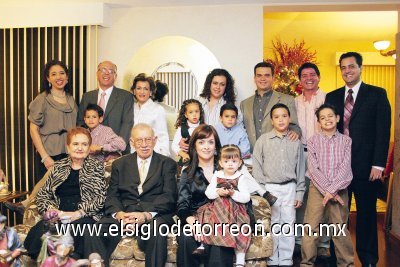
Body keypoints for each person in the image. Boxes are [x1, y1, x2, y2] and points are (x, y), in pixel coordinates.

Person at [325, 52, 391, 267]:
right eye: (343, 67)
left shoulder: (377, 94)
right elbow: (328, 132)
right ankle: (339, 259)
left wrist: (378, 164)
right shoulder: (332, 97)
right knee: (338, 217)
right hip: (338, 168)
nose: (347, 71)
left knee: (366, 215)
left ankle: (369, 259)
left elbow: (383, 131)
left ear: (360, 68)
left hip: (366, 167)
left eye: (351, 66)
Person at [84, 123, 177, 267]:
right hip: (125, 214)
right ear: (132, 142)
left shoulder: (167, 164)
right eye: (139, 140)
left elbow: (169, 196)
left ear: (155, 140)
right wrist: (119, 215)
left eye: (148, 140)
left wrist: (145, 215)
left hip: (153, 216)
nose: (144, 145)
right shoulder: (120, 164)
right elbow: (112, 196)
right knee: (94, 230)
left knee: (157, 230)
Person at [24, 127, 107, 261]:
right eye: (75, 144)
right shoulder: (58, 167)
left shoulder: (96, 167)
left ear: (89, 148)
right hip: (59, 215)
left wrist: (78, 213)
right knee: (41, 231)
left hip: (83, 217)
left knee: (76, 230)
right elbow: (43, 194)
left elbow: (100, 198)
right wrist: (52, 211)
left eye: (84, 144)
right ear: (68, 147)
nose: (80, 148)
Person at [300, 103, 354, 267]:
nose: (327, 120)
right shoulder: (313, 141)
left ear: (337, 118)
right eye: (322, 118)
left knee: (339, 229)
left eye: (330, 116)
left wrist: (332, 191)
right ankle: (306, 263)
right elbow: (313, 169)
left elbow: (346, 168)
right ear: (319, 122)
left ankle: (347, 263)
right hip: (317, 189)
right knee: (311, 228)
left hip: (340, 189)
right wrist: (328, 191)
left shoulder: (346, 141)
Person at [252, 103, 305, 267]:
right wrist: (262, 192)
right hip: (270, 188)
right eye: (276, 117)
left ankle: (286, 259)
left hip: (290, 187)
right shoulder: (263, 140)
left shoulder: (295, 141)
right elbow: (257, 166)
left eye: (284, 116)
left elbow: (301, 169)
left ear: (289, 118)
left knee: (288, 223)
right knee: (273, 223)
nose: (281, 120)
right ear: (272, 120)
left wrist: (299, 193)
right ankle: (273, 258)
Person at [177, 124, 235, 267]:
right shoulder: (187, 173)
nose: (206, 147)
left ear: (216, 146)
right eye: (201, 142)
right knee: (186, 237)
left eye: (210, 142)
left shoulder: (227, 169)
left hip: (223, 219)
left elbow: (242, 197)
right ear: (194, 146)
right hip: (195, 219)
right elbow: (182, 206)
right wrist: (193, 223)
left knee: (219, 237)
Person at [294, 62, 330, 258]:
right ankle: (300, 241)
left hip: (322, 154)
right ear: (299, 80)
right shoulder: (295, 102)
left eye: (312, 74)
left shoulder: (328, 98)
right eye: (304, 75)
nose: (308, 78)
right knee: (300, 197)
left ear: (318, 77)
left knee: (322, 198)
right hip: (300, 153)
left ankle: (323, 243)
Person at [196, 145, 251, 267]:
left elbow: (246, 197)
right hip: (218, 209)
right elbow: (208, 193)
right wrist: (218, 192)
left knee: (242, 228)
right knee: (205, 218)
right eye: (226, 161)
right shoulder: (218, 175)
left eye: (234, 161)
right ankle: (203, 245)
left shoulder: (240, 177)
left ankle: (240, 259)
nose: (230, 164)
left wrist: (233, 193)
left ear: (240, 162)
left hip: (235, 210)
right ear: (220, 163)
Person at [29, 60, 78, 184]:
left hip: (70, 153)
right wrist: (45, 157)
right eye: (54, 74)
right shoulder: (42, 99)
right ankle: (24, 204)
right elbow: (33, 129)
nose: (58, 77)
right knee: (46, 191)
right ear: (48, 78)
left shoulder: (71, 98)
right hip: (49, 153)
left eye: (62, 73)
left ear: (67, 77)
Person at [240, 62, 301, 152]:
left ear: (273, 78)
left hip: (277, 153)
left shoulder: (287, 99)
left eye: (267, 75)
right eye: (259, 75)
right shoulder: (244, 104)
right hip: (252, 155)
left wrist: (295, 132)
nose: (263, 79)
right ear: (254, 78)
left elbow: (294, 126)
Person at [77, 61, 133, 153]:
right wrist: (85, 146)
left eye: (111, 71)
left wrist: (117, 150)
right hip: (90, 152)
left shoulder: (126, 96)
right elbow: (81, 122)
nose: (107, 73)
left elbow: (127, 124)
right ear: (97, 74)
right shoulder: (87, 96)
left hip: (117, 153)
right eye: (103, 70)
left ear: (115, 76)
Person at [131, 74, 170, 157]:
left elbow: (163, 136)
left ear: (150, 92)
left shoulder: (158, 109)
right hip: (133, 154)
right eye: (138, 88)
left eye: (145, 89)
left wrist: (163, 157)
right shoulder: (130, 108)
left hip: (153, 154)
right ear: (134, 91)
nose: (142, 92)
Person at [171, 99, 204, 165]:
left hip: (202, 161)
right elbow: (174, 145)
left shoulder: (204, 127)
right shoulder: (182, 128)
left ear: (200, 113)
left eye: (196, 111)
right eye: (191, 112)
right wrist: (183, 154)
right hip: (187, 161)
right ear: (186, 115)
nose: (194, 115)